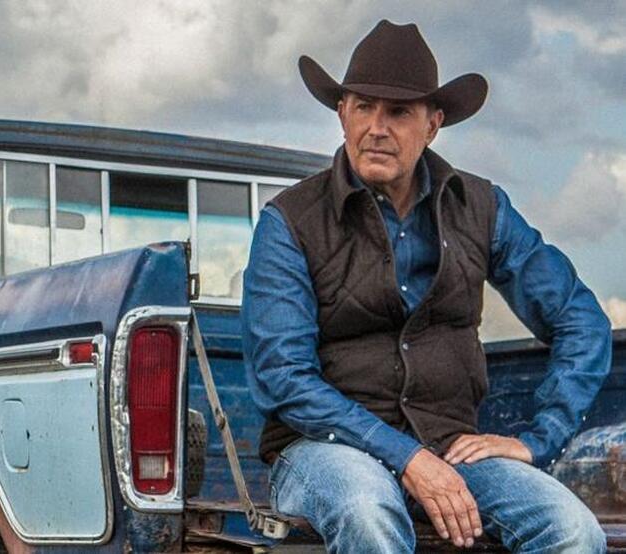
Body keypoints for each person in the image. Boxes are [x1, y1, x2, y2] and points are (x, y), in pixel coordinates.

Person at [241, 20, 611, 553]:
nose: (377, 128)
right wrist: (406, 457)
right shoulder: (289, 222)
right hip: (323, 450)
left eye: (398, 112)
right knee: (367, 510)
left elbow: (580, 320)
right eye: (363, 107)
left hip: (450, 448)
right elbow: (283, 376)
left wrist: (538, 439)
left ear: (433, 124)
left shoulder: (481, 207)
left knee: (572, 530)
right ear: (342, 112)